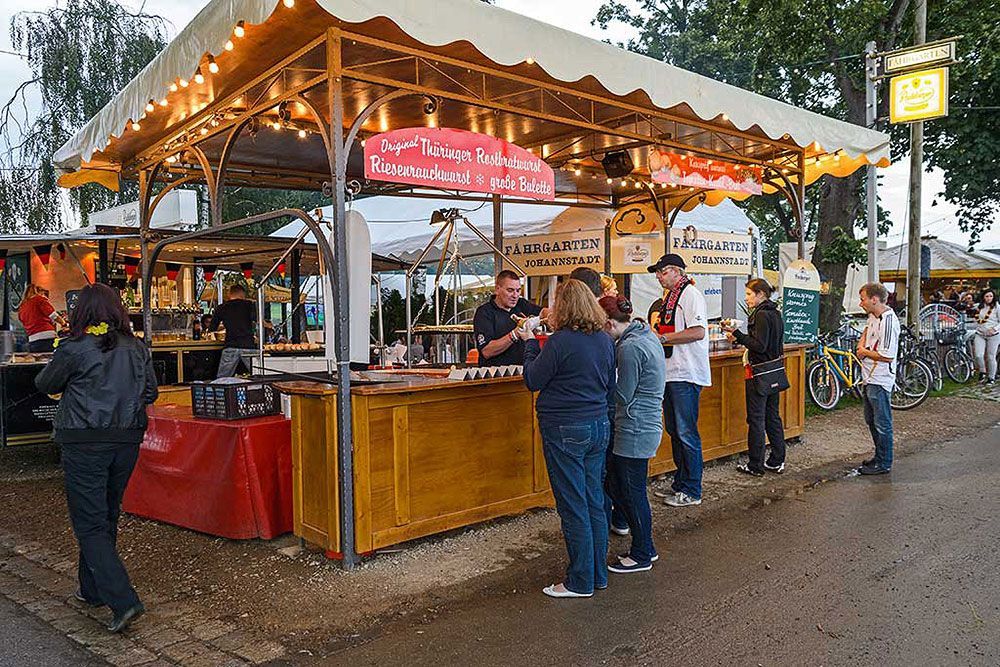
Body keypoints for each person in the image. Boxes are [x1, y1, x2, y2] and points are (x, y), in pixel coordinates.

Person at [34, 283, 157, 633]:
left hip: (84, 439)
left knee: (89, 522)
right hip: (126, 438)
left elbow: (45, 383)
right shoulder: (136, 347)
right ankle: (91, 589)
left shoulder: (74, 348)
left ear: (81, 313)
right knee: (106, 513)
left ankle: (123, 600)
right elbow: (150, 391)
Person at [522, 279, 615, 598]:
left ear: (563, 307)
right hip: (598, 424)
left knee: (574, 505)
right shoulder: (604, 339)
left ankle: (579, 581)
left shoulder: (560, 341)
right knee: (594, 502)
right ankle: (597, 575)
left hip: (565, 427)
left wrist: (532, 342)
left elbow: (533, 380)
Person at [599, 295, 665, 574]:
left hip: (635, 427)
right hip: (646, 424)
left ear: (608, 323)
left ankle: (642, 553)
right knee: (628, 487)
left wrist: (599, 388)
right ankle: (646, 548)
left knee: (632, 491)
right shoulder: (646, 336)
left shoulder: (630, 349)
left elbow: (623, 395)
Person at [647, 254, 710, 507]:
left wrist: (663, 339)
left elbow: (698, 331)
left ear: (675, 271)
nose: (658, 277)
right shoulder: (670, 299)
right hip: (671, 372)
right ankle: (680, 483)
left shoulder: (690, 295)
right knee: (675, 430)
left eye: (661, 272)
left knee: (686, 432)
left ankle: (693, 490)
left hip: (686, 372)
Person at [724, 279, 787, 477]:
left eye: (750, 294)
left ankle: (755, 465)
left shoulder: (760, 315)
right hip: (774, 370)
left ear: (761, 294)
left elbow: (759, 345)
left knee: (756, 419)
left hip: (759, 373)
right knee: (772, 417)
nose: (746, 298)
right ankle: (777, 460)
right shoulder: (775, 313)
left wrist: (737, 335)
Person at [856, 282, 900, 475]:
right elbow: (866, 331)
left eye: (863, 299)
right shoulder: (873, 316)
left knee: (882, 423)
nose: (861, 304)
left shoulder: (889, 321)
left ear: (874, 299)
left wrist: (864, 352)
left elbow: (887, 355)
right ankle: (879, 456)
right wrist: (861, 345)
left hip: (880, 379)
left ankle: (884, 462)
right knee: (871, 420)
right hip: (868, 377)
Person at [473, 270, 547, 367]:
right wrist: (514, 334)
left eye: (518, 290)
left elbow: (543, 312)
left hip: (522, 372)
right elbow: (487, 351)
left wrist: (552, 316)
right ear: (497, 289)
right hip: (495, 376)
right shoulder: (484, 313)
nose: (515, 295)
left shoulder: (521, 304)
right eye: (510, 290)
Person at [211, 284, 257, 377]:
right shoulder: (249, 305)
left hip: (231, 345)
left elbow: (212, 327)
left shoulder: (222, 307)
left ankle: (221, 391)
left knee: (222, 378)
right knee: (259, 374)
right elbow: (257, 320)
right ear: (242, 294)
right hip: (248, 345)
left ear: (230, 294)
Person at [18, 284, 68, 352]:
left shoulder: (22, 307)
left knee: (39, 360)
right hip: (46, 336)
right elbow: (53, 315)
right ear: (39, 292)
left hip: (32, 340)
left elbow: (23, 320)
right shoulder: (39, 299)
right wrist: (64, 323)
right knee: (50, 359)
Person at [971, 288, 1000, 384]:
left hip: (993, 335)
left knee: (991, 356)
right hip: (980, 334)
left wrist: (995, 329)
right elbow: (975, 317)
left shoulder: (997, 307)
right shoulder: (979, 307)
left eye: (991, 296)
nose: (989, 298)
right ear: (983, 297)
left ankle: (991, 377)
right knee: (978, 355)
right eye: (987, 296)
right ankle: (982, 371)